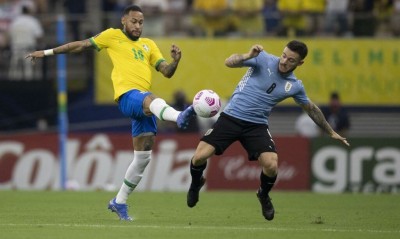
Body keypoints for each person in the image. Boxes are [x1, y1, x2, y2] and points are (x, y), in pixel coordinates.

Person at [26, 4, 196, 221]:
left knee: (143, 157)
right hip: (128, 97)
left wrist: (175, 61)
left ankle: (119, 202)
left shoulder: (149, 45)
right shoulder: (112, 36)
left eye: (141, 22)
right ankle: (178, 116)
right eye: (134, 21)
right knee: (151, 99)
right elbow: (80, 45)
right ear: (123, 21)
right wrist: (47, 52)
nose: (137, 26)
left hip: (143, 105)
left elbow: (166, 72)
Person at [186, 40, 350, 221]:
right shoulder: (262, 58)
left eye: (291, 60)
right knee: (199, 156)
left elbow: (310, 108)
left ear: (300, 63)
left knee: (271, 165)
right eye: (284, 55)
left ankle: (263, 194)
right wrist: (248, 56)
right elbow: (229, 62)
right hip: (231, 117)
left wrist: (330, 131)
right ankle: (195, 183)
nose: (284, 61)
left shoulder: (295, 86)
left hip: (256, 125)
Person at [8, 5, 44, 80]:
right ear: (29, 12)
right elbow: (39, 35)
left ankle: (13, 79)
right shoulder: (33, 21)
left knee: (15, 63)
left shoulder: (15, 21)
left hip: (16, 49)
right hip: (28, 49)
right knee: (29, 63)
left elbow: (9, 34)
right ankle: (29, 79)